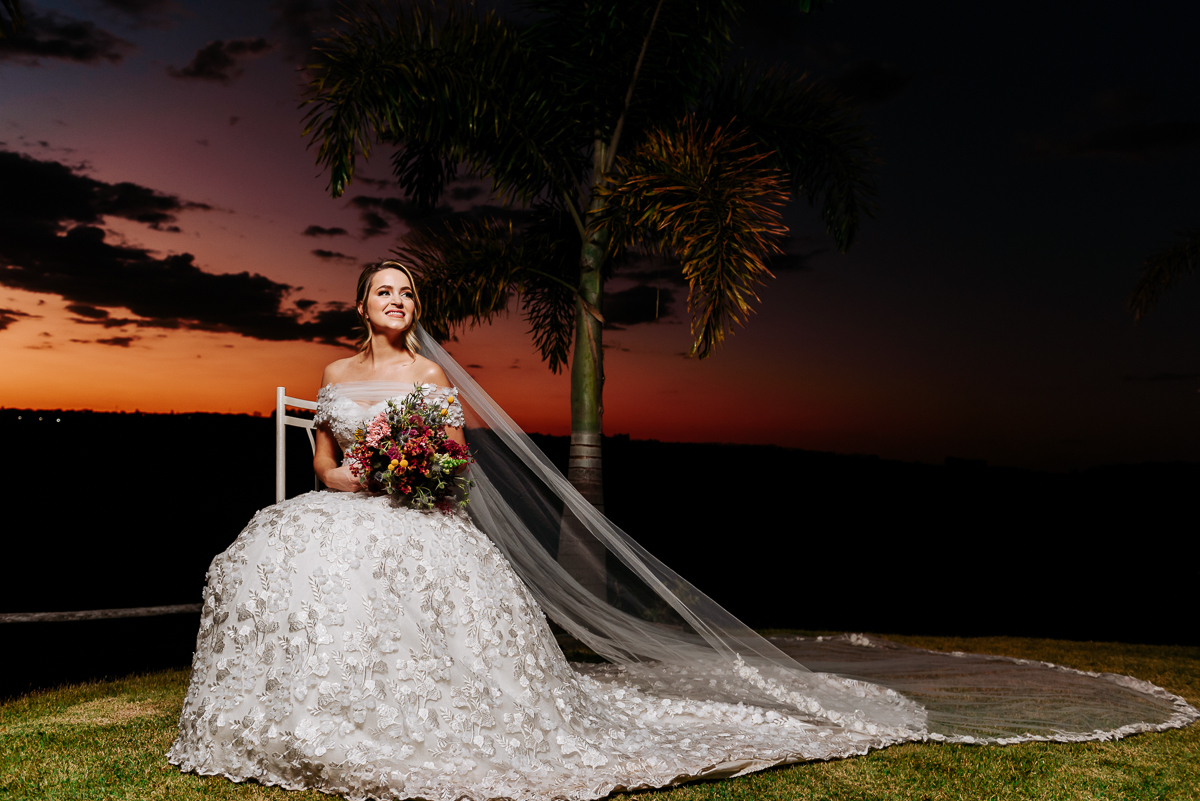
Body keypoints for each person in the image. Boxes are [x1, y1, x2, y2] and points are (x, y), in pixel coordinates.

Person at [169, 262, 1198, 801]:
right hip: (341, 506)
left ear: (415, 308)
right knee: (271, 561)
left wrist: (407, 472)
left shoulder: (432, 380)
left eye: (407, 293)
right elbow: (317, 456)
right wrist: (339, 469)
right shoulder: (338, 377)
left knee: (416, 592)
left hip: (413, 516)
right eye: (381, 292)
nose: (394, 304)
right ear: (358, 304)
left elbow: (453, 461)